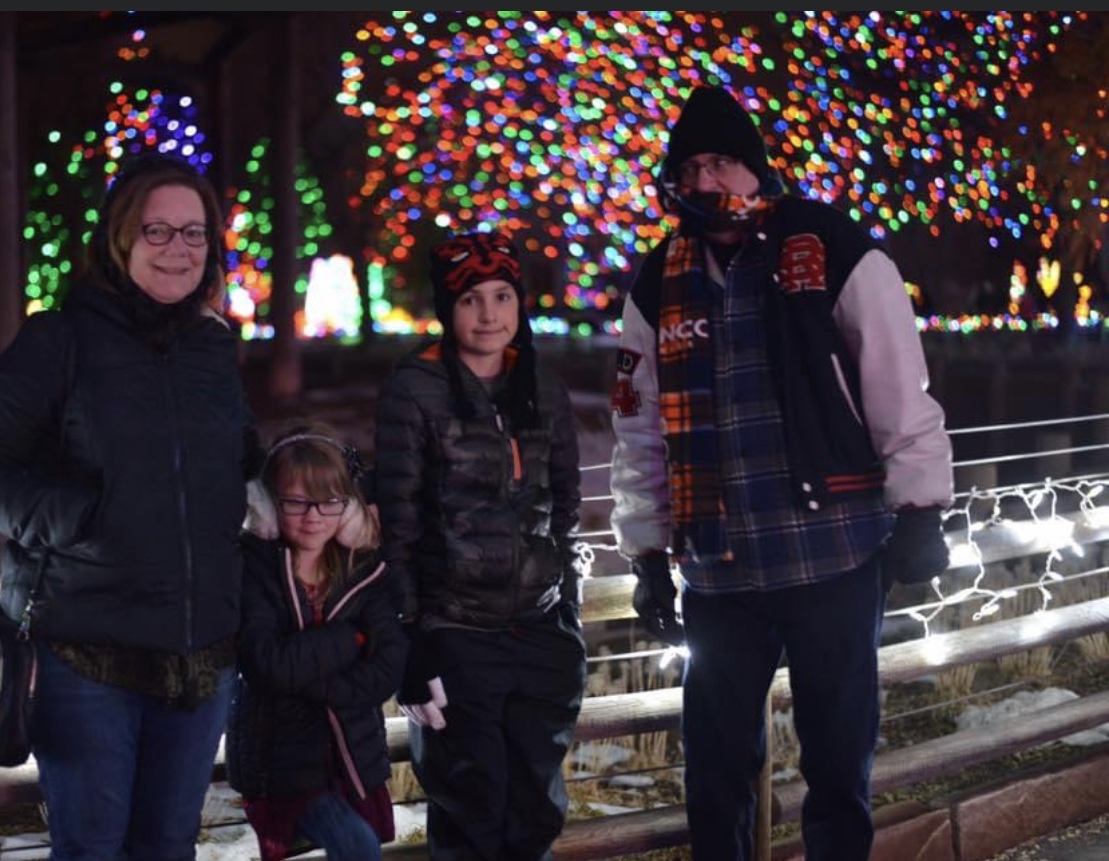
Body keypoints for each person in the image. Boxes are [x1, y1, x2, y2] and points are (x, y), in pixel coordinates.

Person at [608, 85, 954, 861]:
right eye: (689, 168)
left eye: (721, 162)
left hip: (832, 551)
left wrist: (921, 506)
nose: (704, 181)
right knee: (716, 771)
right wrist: (646, 552)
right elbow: (638, 427)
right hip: (716, 567)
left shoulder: (830, 244)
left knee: (837, 760)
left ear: (756, 168)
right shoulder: (656, 281)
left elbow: (896, 381)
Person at [0, 151, 261, 861]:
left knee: (168, 844)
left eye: (194, 232)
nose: (179, 248)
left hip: (201, 652)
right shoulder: (59, 339)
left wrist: (306, 475)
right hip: (85, 650)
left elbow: (239, 461)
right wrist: (81, 520)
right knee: (93, 846)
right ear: (121, 239)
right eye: (158, 230)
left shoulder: (212, 346)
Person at [374, 228, 587, 861]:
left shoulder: (541, 384)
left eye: (502, 296)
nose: (489, 314)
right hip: (456, 634)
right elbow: (398, 524)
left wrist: (566, 608)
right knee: (472, 810)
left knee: (535, 811)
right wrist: (412, 641)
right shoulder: (416, 388)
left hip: (540, 633)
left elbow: (565, 504)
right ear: (448, 308)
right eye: (470, 299)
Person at [225, 425, 406, 861]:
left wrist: (314, 680)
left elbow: (388, 665)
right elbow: (268, 664)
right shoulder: (254, 569)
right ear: (268, 504)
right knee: (357, 846)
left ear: (348, 507)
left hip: (353, 758)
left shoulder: (362, 569)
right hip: (282, 764)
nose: (313, 516)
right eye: (296, 502)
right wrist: (350, 639)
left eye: (329, 502)